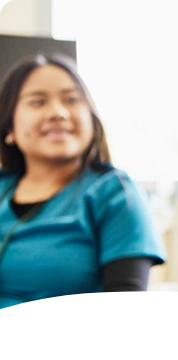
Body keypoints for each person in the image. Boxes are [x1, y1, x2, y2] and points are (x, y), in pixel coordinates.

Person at [0, 54, 166, 311]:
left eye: (72, 99)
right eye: (38, 102)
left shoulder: (115, 194)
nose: (58, 112)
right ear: (9, 128)